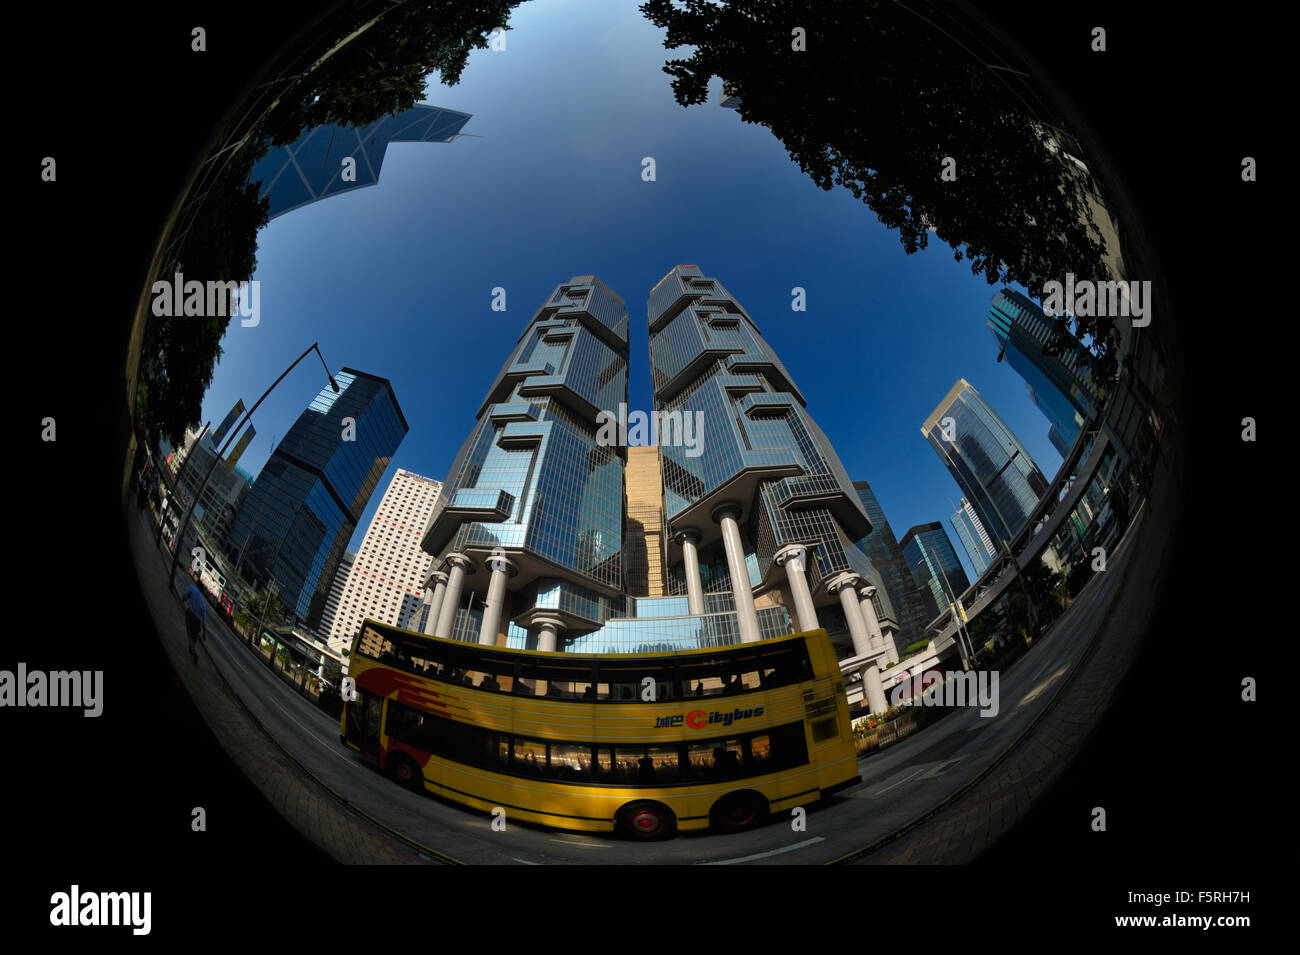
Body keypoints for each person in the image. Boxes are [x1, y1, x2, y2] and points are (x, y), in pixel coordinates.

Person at [182, 573, 207, 663]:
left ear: (196, 584)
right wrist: (204, 632)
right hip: (198, 622)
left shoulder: (192, 588)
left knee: (189, 631)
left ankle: (193, 650)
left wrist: (183, 599)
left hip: (190, 614)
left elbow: (185, 595)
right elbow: (204, 620)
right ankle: (192, 649)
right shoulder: (203, 604)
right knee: (194, 636)